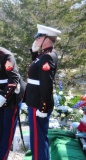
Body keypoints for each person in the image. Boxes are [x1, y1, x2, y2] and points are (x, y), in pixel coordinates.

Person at [25, 24, 61, 160]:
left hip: (38, 102)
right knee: (38, 137)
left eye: (39, 38)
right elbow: (36, 70)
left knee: (38, 138)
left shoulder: (48, 56)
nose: (36, 40)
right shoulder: (45, 55)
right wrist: (34, 52)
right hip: (35, 100)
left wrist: (43, 106)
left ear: (46, 39)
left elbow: (46, 84)